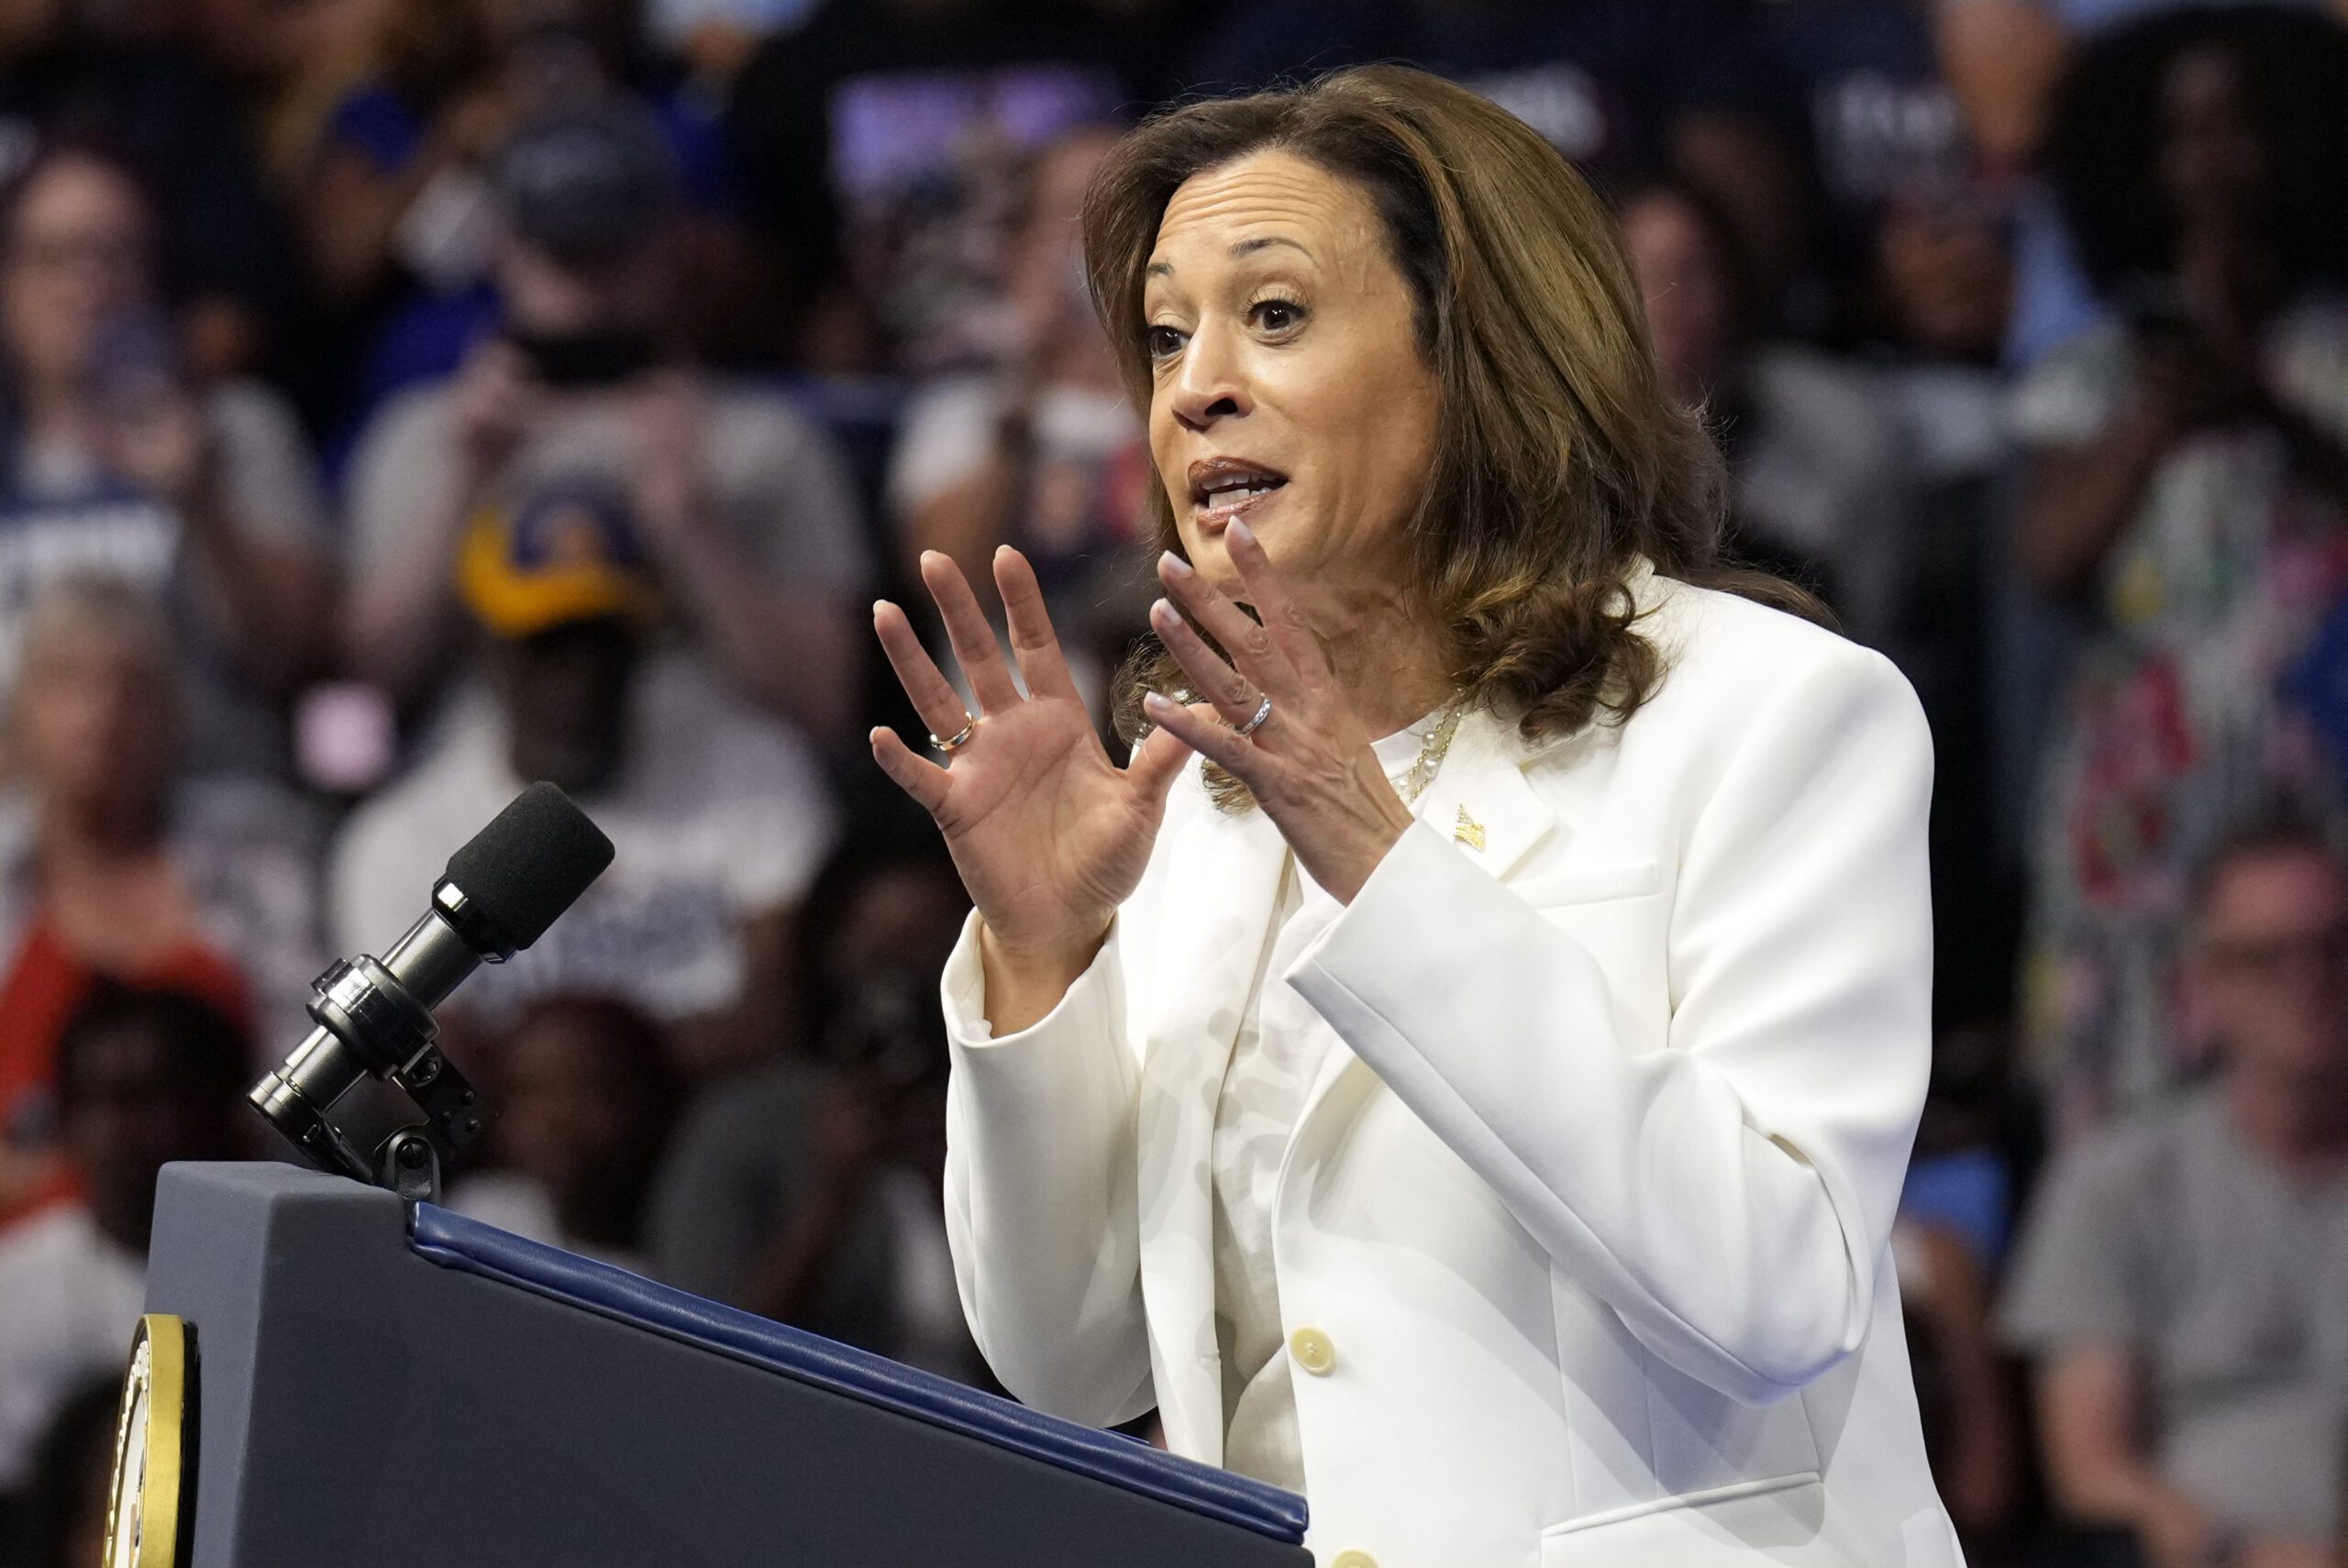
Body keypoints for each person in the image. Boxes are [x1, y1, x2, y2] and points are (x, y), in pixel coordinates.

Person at [869, 66, 1955, 1564]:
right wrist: (1043, 952)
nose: (1194, 388)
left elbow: (1780, 1292)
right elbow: (1076, 1361)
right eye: (1169, 334)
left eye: (1275, 315)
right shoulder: (1203, 796)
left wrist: (1383, 863)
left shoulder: (1772, 716)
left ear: (1477, 358)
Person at [2012, 6, 2348, 1128]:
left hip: (2323, 774)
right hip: (2141, 803)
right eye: (2178, 135)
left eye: (2237, 128)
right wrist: (2162, 408)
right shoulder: (2094, 372)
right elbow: (2049, 559)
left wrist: (2269, 411)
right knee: (2133, 1101)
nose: (2208, 164)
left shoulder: (2333, 350)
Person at [339, 102, 869, 739]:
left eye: (611, 254)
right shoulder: (427, 435)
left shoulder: (767, 441)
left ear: (667, 247)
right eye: (564, 255)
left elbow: (828, 704)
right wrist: (465, 486)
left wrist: (690, 522)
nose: (588, 289)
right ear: (505, 250)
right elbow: (361, 696)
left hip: (723, 797)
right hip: (489, 794)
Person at [330, 491, 837, 1077]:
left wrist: (583, 1081)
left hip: (707, 1112)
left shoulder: (756, 774)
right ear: (485, 647)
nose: (579, 677)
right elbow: (429, 1071)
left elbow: (774, 1023)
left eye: (605, 641)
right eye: (547, 644)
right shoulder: (400, 838)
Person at [1999, 817, 2348, 1568]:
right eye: (2267, 959)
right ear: (2205, 984)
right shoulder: (2117, 1184)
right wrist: (2249, 1553)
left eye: (2334, 947)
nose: (2310, 982)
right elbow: (2090, 1470)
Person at [0, 576, 325, 1225]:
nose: (104, 713)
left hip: (238, 1224)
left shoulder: (257, 860)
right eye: (67, 682)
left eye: (133, 686)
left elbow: (315, 1082)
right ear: (20, 715)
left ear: (175, 716)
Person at [0, 144, 332, 777]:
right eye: (53, 256)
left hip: (214, 808)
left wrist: (202, 503)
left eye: (112, 254)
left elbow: (300, 662)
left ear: (156, 273)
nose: (84, 283)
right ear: (7, 282)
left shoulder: (237, 429)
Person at [648, 835, 978, 1378]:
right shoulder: (742, 1123)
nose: (900, 987)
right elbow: (697, 1353)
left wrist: (958, 1191)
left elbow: (1073, 1359)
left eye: (933, 948)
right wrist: (830, 1196)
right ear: (828, 954)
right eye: (879, 955)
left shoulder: (1009, 1118)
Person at [887, 123, 1154, 713]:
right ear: (1023, 244)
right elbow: (947, 577)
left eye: (1126, 207)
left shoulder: (1200, 395)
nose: (1099, 239)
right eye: (1074, 214)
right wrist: (1026, 377)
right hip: (1024, 752)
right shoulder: (965, 413)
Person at [0, 983, 249, 1499]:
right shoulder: (14, 1288)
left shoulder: (276, 1265)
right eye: (101, 1100)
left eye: (150, 1098)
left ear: (217, 1109)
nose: (122, 1130)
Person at [447, 993, 679, 1274]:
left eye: (587, 1088)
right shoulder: (486, 1218)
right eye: (525, 1091)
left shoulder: (697, 1237)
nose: (556, 1117)